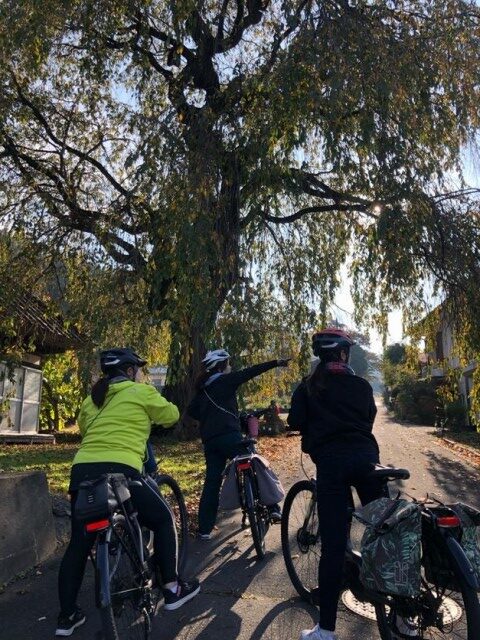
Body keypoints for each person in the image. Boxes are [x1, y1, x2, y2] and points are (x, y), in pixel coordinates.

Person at [55, 348, 200, 637]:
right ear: (131, 371)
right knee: (162, 519)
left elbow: (85, 429)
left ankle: (67, 617)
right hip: (122, 471)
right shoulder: (140, 392)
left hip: (82, 472)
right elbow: (171, 415)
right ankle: (172, 588)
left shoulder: (90, 399)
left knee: (78, 544)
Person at [287, 329, 383, 640]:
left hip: (331, 465)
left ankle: (325, 631)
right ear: (343, 354)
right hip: (368, 460)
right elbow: (369, 419)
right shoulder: (361, 385)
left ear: (321, 355)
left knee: (333, 547)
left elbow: (295, 421)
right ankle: (404, 614)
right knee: (385, 530)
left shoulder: (309, 386)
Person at [187, 349, 290, 540]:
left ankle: (204, 530)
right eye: (227, 363)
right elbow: (251, 372)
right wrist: (276, 362)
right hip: (231, 437)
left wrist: (210, 418)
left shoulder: (203, 390)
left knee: (212, 482)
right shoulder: (225, 381)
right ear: (221, 366)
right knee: (255, 462)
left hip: (211, 442)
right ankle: (272, 507)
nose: (230, 367)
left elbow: (192, 411)